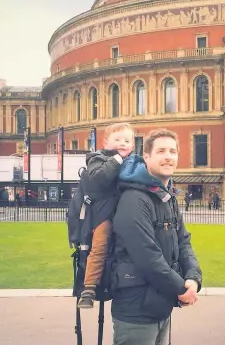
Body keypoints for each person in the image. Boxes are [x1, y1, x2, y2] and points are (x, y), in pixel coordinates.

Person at [110, 128, 203, 345]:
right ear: (146, 157)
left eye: (172, 151)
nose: (168, 156)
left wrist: (193, 277)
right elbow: (146, 257)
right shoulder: (134, 198)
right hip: (136, 312)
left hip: (160, 306)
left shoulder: (167, 196)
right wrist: (181, 289)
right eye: (161, 151)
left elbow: (183, 242)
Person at [77, 122, 135, 309]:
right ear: (105, 143)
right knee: (100, 247)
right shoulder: (97, 159)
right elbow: (98, 180)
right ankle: (89, 288)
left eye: (127, 140)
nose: (122, 143)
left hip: (128, 213)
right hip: (104, 215)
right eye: (117, 139)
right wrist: (117, 159)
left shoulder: (134, 161)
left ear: (133, 145)